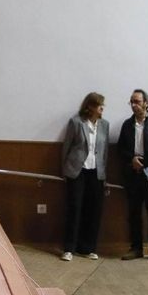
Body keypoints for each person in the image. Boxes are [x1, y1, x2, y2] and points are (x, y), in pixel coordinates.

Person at [116, 89, 148, 262]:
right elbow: (120, 148)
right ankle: (136, 248)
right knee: (134, 212)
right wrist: (132, 160)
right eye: (131, 101)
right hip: (133, 174)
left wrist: (143, 162)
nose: (134, 105)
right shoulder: (126, 125)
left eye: (137, 101)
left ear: (146, 103)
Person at [58, 92, 109, 261]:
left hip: (96, 172)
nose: (102, 108)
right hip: (77, 171)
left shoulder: (104, 125)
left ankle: (87, 248)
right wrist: (65, 170)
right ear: (90, 107)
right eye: (100, 105)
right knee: (75, 208)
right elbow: (67, 147)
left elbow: (105, 151)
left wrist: (104, 174)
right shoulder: (76, 122)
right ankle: (69, 248)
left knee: (94, 210)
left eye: (103, 105)